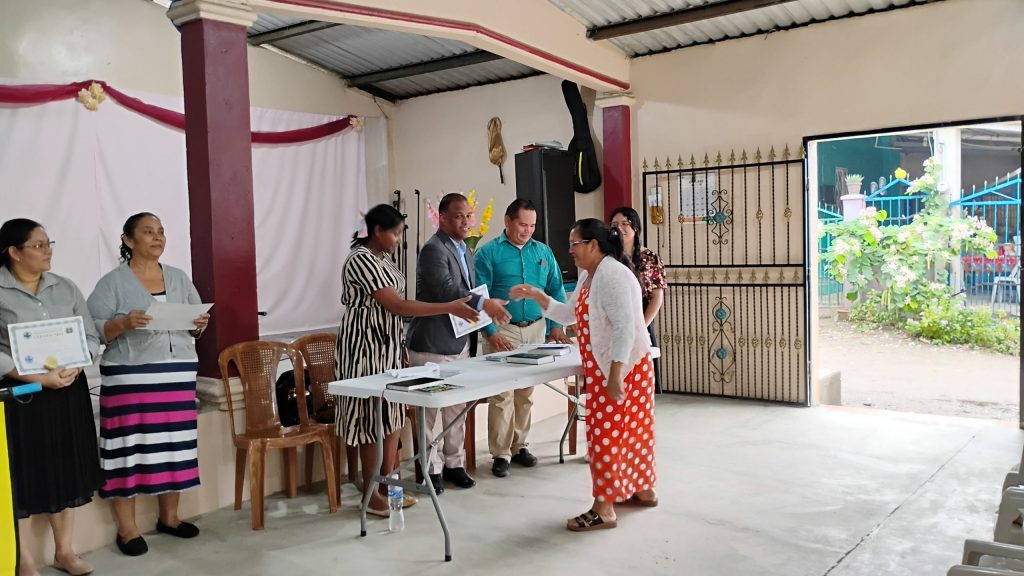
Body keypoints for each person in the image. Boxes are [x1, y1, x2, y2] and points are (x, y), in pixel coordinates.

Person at [511, 218, 657, 532]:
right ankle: (642, 490)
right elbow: (568, 314)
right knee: (630, 433)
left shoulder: (612, 275)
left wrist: (615, 374)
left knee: (606, 437)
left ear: (593, 244)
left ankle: (604, 509)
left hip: (622, 368)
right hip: (619, 367)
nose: (570, 250)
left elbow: (624, 328)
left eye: (575, 244)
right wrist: (537, 295)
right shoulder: (591, 275)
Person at [337, 204, 481, 514]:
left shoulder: (383, 258)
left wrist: (400, 350)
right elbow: (399, 306)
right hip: (365, 348)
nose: (398, 241)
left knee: (391, 417)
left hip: (388, 347)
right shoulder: (360, 260)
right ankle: (371, 494)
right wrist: (450, 307)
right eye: (395, 234)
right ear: (377, 231)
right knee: (371, 421)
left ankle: (387, 485)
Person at [86, 212, 211, 557]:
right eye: (148, 232)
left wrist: (198, 324)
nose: (157, 237)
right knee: (126, 450)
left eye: (161, 232)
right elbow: (93, 327)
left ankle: (169, 518)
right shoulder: (112, 283)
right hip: (130, 379)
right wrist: (124, 323)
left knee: (175, 446)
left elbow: (195, 322)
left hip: (177, 377)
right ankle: (127, 530)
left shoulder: (178, 277)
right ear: (128, 240)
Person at [0, 218, 102, 576]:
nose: (47, 251)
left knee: (64, 468)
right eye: (38, 245)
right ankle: (24, 558)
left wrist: (77, 364)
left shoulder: (65, 287)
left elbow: (90, 336)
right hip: (22, 396)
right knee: (23, 474)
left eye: (49, 244)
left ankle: (65, 552)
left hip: (66, 391)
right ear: (14, 253)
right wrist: (31, 375)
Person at [405, 192, 510, 494]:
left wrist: (487, 317)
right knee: (430, 412)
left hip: (461, 340)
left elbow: (471, 289)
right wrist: (485, 304)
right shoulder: (433, 249)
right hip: (432, 343)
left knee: (456, 407)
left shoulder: (465, 249)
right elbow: (447, 290)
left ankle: (454, 464)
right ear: (442, 218)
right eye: (458, 216)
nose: (466, 222)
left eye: (468, 216)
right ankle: (430, 470)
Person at [474, 199, 571, 478]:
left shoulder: (543, 251)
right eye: (522, 224)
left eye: (532, 225)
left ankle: (520, 446)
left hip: (536, 330)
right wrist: (491, 333)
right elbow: (478, 296)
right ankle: (500, 453)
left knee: (525, 393)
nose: (527, 230)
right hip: (502, 330)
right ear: (508, 221)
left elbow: (556, 288)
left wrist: (556, 326)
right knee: (502, 394)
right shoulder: (488, 253)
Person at [609, 207, 667, 393]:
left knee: (640, 379)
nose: (620, 228)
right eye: (615, 224)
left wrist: (641, 326)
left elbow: (657, 297)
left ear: (636, 228)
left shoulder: (649, 257)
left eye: (625, 224)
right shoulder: (607, 257)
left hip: (641, 318)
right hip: (612, 320)